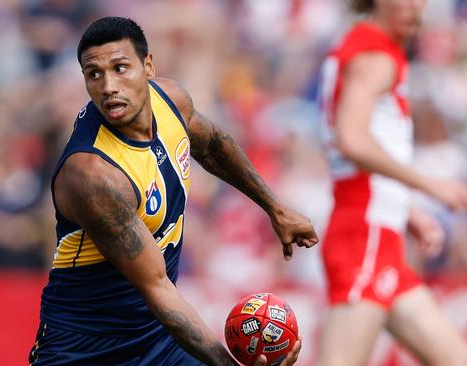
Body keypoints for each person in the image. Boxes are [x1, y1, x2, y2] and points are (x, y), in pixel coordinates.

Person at [30, 16, 319, 366]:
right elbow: (158, 288)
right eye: (94, 74)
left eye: (121, 68)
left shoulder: (171, 102)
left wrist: (275, 207)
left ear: (148, 66)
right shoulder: (94, 175)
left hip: (156, 338)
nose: (108, 86)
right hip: (87, 349)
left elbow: (213, 147)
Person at [317, 1, 467, 365]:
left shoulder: (361, 47)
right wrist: (430, 186)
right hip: (364, 235)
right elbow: (351, 139)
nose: (417, 7)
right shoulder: (375, 55)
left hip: (380, 235)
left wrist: (407, 209)